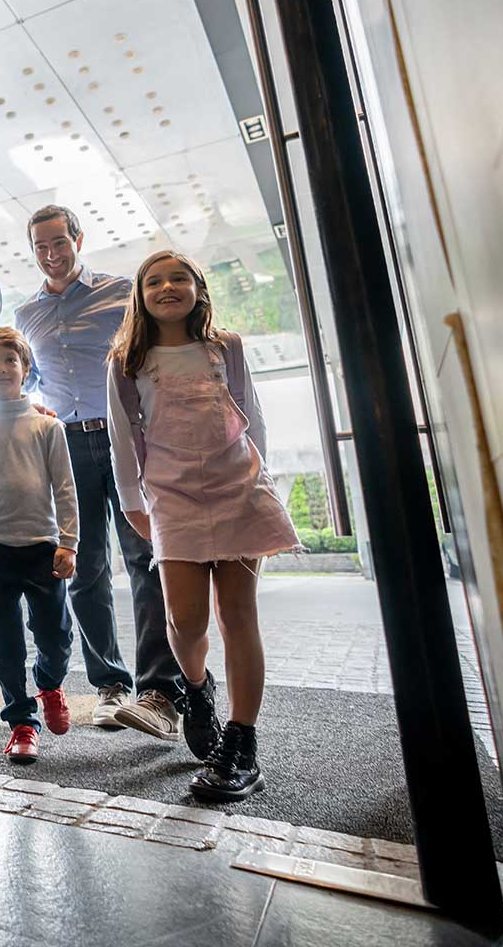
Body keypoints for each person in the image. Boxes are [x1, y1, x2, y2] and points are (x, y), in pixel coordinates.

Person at [106, 250, 302, 800]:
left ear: (199, 288)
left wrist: (255, 479)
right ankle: (197, 688)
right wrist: (132, 504)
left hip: (238, 489)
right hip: (171, 499)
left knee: (238, 614)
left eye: (179, 277)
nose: (167, 287)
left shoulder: (227, 347)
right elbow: (125, 441)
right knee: (185, 621)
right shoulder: (128, 361)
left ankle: (242, 743)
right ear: (140, 296)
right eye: (154, 281)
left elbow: (252, 417)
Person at [14, 205, 193, 748]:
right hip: (67, 442)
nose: (50, 253)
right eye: (40, 246)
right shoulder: (27, 315)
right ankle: (110, 685)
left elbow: (147, 359)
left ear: (77, 238)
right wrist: (34, 408)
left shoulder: (120, 292)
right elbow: (29, 378)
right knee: (84, 567)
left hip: (126, 438)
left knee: (145, 559)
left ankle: (158, 687)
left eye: (58, 242)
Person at [0, 328, 77, 763]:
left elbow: (65, 489)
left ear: (25, 368)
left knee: (56, 636)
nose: (1, 368)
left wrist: (70, 542)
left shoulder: (48, 427)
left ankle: (49, 683)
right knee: (4, 645)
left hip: (43, 547)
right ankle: (22, 723)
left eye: (10, 360)